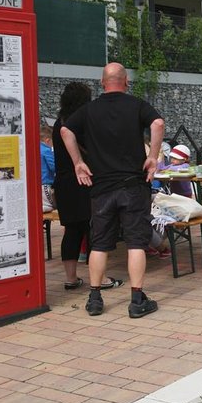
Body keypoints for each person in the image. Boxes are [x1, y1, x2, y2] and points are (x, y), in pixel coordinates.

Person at [61, 63, 165, 318]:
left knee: (99, 243)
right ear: (126, 81)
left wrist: (78, 163)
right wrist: (152, 156)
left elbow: (65, 130)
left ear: (102, 82)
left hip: (102, 187)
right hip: (132, 185)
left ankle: (95, 298)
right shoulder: (137, 105)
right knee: (136, 243)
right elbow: (158, 124)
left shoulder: (89, 110)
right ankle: (137, 299)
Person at [52, 82, 111, 292]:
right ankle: (101, 278)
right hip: (85, 181)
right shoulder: (85, 122)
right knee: (94, 230)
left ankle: (71, 278)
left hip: (64, 184)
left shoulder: (59, 124)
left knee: (71, 231)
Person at [39, 125, 56, 213]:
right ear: (48, 140)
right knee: (48, 206)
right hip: (45, 184)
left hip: (37, 184)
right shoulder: (46, 150)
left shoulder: (35, 148)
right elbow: (54, 167)